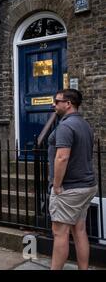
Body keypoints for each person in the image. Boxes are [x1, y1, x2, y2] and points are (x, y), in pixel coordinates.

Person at [48, 89, 97, 270]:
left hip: (70, 188)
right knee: (79, 229)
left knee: (59, 233)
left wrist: (57, 186)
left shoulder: (65, 126)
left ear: (68, 104)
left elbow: (62, 157)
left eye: (57, 101)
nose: (53, 104)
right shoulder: (85, 124)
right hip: (87, 186)